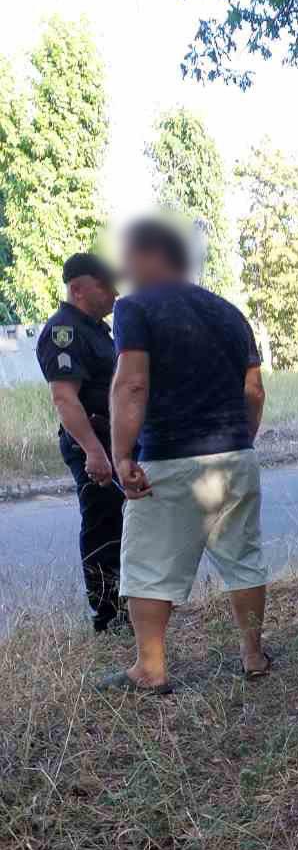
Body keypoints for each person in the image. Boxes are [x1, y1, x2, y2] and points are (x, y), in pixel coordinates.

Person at [99, 218, 270, 694]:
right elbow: (254, 391)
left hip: (170, 458)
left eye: (129, 255)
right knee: (243, 559)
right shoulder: (230, 312)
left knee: (151, 565)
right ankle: (253, 655)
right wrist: (241, 439)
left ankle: (150, 669)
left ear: (154, 255)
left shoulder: (134, 308)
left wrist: (121, 454)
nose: (124, 267)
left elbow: (131, 383)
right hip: (235, 455)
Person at [36, 254, 126, 631]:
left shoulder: (98, 330)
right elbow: (64, 399)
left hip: (114, 440)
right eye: (104, 285)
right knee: (103, 524)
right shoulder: (64, 331)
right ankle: (108, 615)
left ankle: (130, 605)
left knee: (125, 524)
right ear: (78, 288)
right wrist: (94, 451)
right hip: (93, 442)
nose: (113, 293)